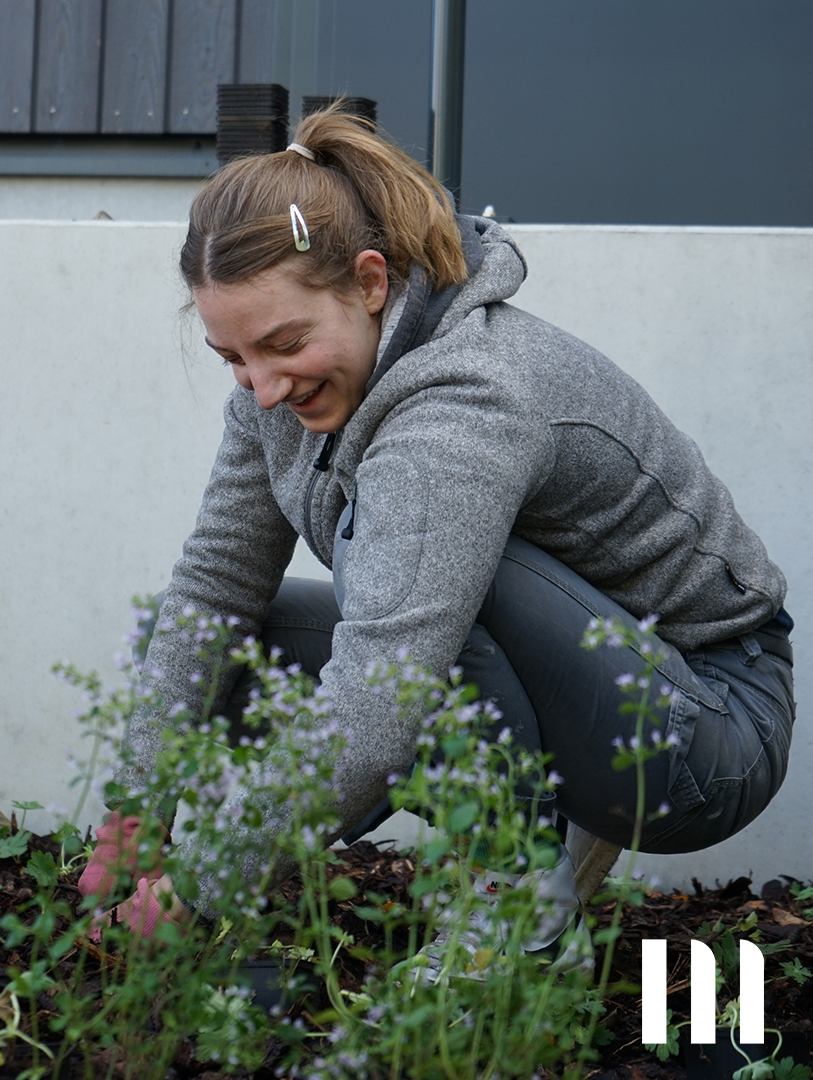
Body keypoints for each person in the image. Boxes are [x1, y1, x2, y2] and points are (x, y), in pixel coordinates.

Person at [77, 105, 795, 979]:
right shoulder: (284, 392)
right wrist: (136, 810)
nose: (261, 389)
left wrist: (200, 884)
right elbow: (215, 584)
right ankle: (537, 863)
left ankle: (519, 931)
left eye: (282, 345)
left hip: (707, 730)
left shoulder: (467, 403)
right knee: (215, 637)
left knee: (413, 569)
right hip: (591, 673)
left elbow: (378, 703)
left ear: (371, 283)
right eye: (232, 357)